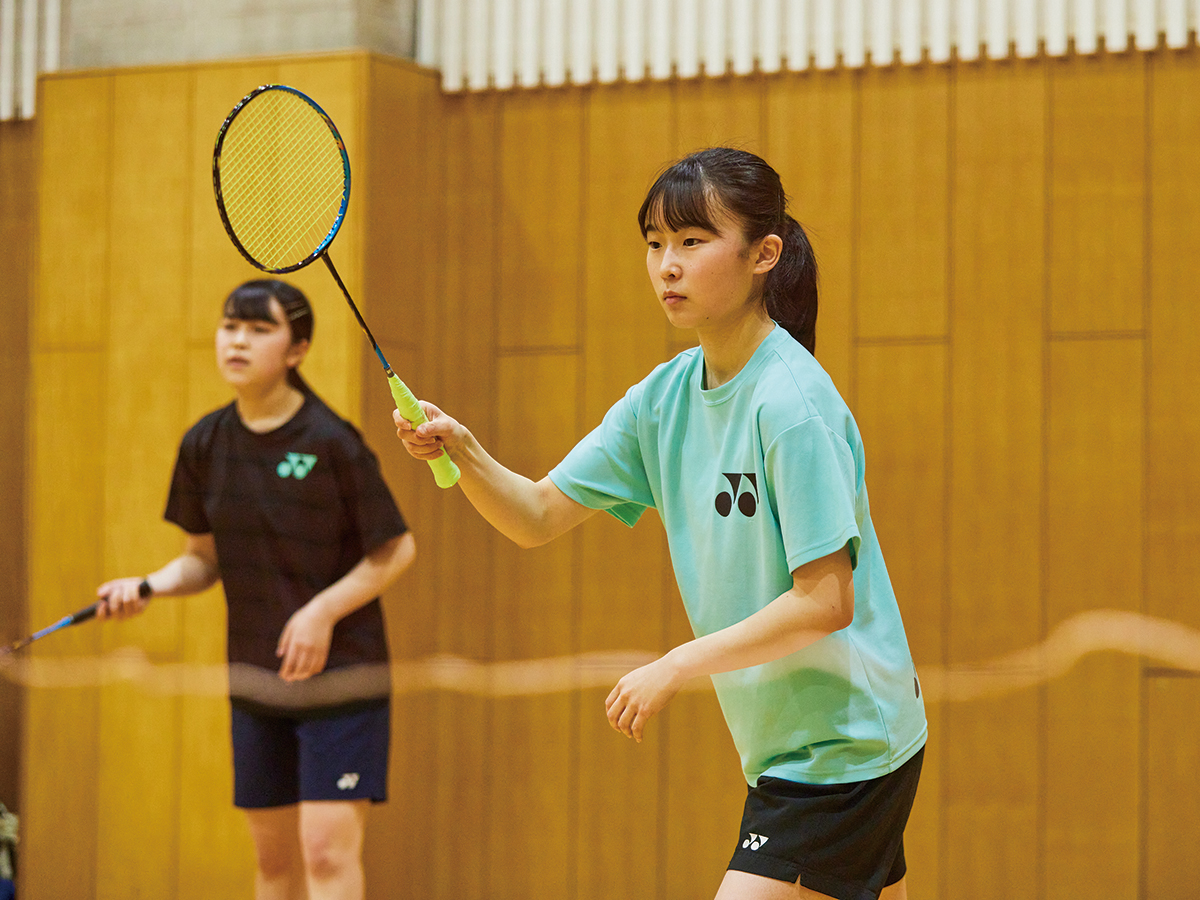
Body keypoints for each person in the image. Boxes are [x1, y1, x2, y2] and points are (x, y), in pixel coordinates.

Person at [396, 147, 926, 900]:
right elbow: (537, 516)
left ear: (762, 255)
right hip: (792, 740)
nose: (666, 266)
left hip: (843, 745)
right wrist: (465, 449)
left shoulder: (791, 406)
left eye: (691, 241)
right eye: (654, 244)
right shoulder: (664, 399)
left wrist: (677, 664)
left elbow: (827, 600)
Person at [97, 279, 415, 900]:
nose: (237, 340)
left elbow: (397, 548)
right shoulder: (205, 444)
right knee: (272, 863)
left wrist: (321, 612)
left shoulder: (332, 443)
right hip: (256, 677)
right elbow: (200, 560)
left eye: (258, 329)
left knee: (324, 853)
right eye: (229, 326)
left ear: (296, 350)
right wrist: (146, 586)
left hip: (342, 679)